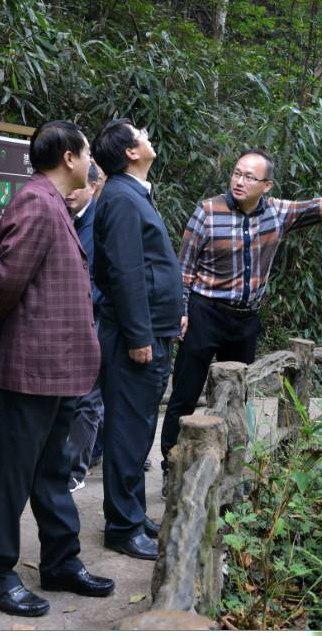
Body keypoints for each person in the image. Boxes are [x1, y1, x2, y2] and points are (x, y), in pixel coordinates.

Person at [160, 148, 322, 489]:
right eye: (236, 173)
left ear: (267, 185)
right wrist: (181, 312)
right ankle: (172, 467)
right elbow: (184, 268)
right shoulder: (208, 211)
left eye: (249, 177)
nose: (240, 181)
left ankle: (230, 470)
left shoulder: (278, 213)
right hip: (205, 312)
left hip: (245, 321)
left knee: (235, 396)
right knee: (185, 394)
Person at [0, 121, 114, 618]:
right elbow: (5, 281)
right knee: (13, 475)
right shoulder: (35, 200)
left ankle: (60, 562)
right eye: (87, 150)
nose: (92, 157)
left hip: (62, 368)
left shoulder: (55, 203)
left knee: (53, 472)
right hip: (32, 367)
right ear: (70, 157)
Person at [92, 118, 182, 560]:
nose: (148, 136)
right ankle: (122, 526)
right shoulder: (124, 199)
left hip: (152, 329)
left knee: (139, 424)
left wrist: (172, 316)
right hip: (135, 336)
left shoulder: (133, 194)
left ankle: (131, 511)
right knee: (128, 427)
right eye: (141, 133)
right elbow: (125, 272)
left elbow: (149, 268)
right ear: (131, 151)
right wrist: (140, 334)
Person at [65, 162, 104, 493]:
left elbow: (104, 279)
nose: (70, 191)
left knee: (88, 398)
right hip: (68, 321)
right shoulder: (66, 216)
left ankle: (74, 469)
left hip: (94, 321)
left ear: (93, 186)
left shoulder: (99, 222)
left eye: (78, 186)